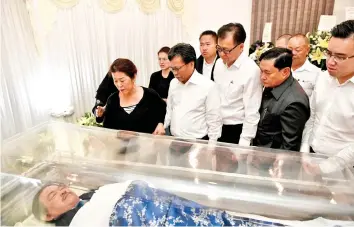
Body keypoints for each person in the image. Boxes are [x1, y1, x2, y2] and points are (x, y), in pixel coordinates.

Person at [32, 180, 288, 226]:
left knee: (222, 218)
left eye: (61, 187)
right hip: (145, 216)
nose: (62, 191)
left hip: (164, 203)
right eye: (53, 195)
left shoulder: (96, 195)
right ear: (48, 216)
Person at [301, 20, 354, 174]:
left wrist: (326, 167)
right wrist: (304, 150)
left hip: (345, 169)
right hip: (311, 159)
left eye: (340, 57)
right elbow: (312, 117)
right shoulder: (323, 78)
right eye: (329, 53)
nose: (330, 62)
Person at [213, 23, 262, 145]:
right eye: (219, 48)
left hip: (236, 129)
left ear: (241, 47)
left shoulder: (251, 70)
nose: (222, 54)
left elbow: (252, 110)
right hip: (216, 126)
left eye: (227, 50)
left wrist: (244, 141)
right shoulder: (219, 64)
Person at [253, 48, 310, 151]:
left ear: (285, 72)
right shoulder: (273, 84)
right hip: (258, 152)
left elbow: (289, 145)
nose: (262, 77)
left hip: (270, 159)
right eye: (261, 71)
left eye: (267, 73)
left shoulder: (294, 102)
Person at [163, 43, 222, 142]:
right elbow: (170, 109)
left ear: (191, 64)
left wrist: (211, 147)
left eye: (178, 68)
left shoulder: (208, 86)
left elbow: (214, 120)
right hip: (175, 140)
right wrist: (164, 127)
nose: (175, 73)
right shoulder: (173, 83)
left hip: (198, 142)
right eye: (172, 69)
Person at [95, 58, 166, 135]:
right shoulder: (113, 100)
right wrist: (100, 115)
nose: (119, 85)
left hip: (147, 145)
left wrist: (160, 123)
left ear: (134, 77)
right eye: (115, 81)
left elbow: (163, 111)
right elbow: (108, 129)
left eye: (122, 80)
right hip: (122, 146)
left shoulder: (150, 95)